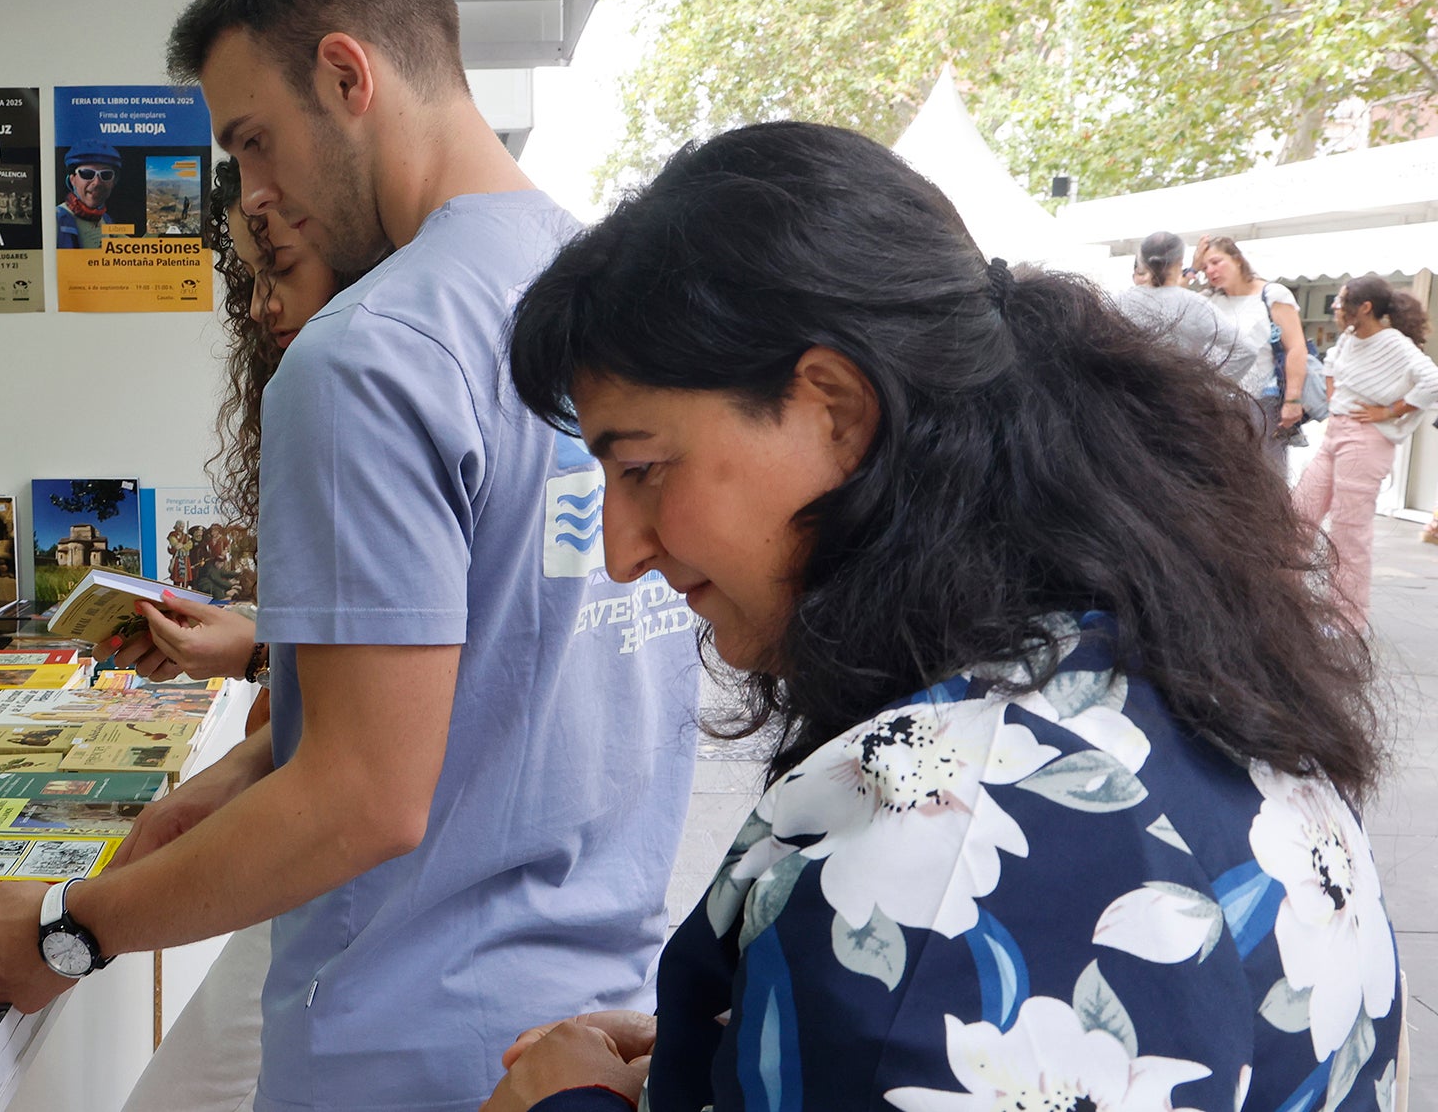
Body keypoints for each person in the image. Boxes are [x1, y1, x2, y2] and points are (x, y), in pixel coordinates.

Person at [0, 0, 701, 1112]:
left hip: (400, 1042)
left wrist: (68, 934)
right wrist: (209, 797)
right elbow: (481, 680)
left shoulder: (372, 351)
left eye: (249, 141)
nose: (254, 193)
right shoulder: (614, 295)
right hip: (588, 1032)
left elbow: (363, 797)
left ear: (346, 75)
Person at [492, 121, 1400, 1112]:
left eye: (640, 468)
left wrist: (563, 1104)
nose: (621, 552)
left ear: (833, 408)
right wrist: (748, 1048)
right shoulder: (1174, 662)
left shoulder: (933, 848)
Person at [115, 155, 350, 1112]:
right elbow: (355, 667)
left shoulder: (351, 397)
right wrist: (254, 646)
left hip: (339, 902)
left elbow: (364, 749)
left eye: (278, 272)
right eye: (248, 282)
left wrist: (74, 929)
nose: (258, 310)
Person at [1293, 274, 1438, 624]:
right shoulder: (1348, 337)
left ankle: (1346, 620)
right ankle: (1286, 603)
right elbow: (1330, 365)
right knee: (1299, 513)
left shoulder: (1393, 343)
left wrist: (1389, 410)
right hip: (1337, 433)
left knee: (1348, 532)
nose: (1335, 308)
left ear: (1365, 307)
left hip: (1366, 439)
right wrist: (1333, 399)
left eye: (1341, 302)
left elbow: (1432, 381)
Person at [1202, 234, 1309, 472]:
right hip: (1216, 402)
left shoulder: (1272, 295)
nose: (1210, 270)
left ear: (1237, 259)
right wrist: (1191, 267)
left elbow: (1296, 347)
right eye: (1205, 265)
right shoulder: (1208, 299)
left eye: (1216, 262)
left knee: (1265, 472)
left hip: (1261, 401)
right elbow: (1171, 301)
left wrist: (1293, 400)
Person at [1112, 230, 1250, 383]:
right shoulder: (1196, 305)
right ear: (1180, 262)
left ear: (1142, 262)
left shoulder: (1117, 303)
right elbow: (1246, 350)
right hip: (1183, 399)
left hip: (1130, 397)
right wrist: (1210, 387)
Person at [54, 141, 122, 249]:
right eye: (87, 173)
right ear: (72, 179)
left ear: (113, 182)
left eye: (106, 174)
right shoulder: (56, 220)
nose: (97, 182)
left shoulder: (106, 219)